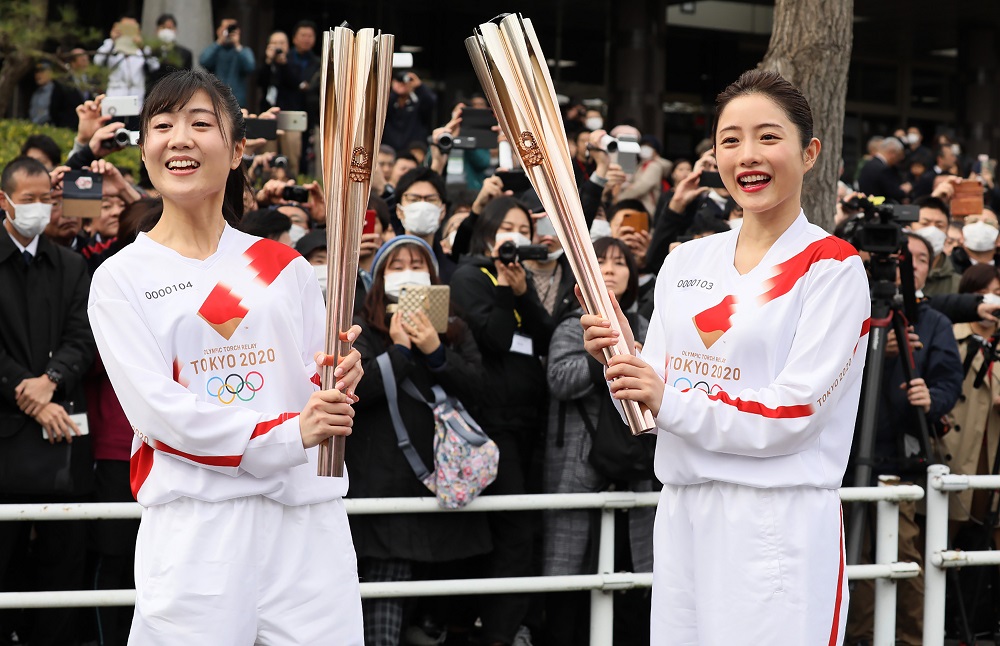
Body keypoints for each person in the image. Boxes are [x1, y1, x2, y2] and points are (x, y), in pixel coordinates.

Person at [581, 69, 871, 644]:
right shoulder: (688, 262)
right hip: (685, 512)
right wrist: (624, 366)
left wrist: (668, 398)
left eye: (768, 136)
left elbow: (794, 414)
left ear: (809, 152)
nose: (748, 155)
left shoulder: (831, 267)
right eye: (731, 139)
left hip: (774, 525)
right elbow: (659, 402)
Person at [86, 70, 365, 644]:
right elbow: (158, 414)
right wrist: (290, 433)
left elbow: (317, 377)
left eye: (200, 123)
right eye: (162, 125)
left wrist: (337, 381)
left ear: (238, 150)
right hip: (200, 531)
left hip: (305, 521)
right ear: (144, 151)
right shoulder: (121, 279)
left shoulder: (279, 264)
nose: (179, 138)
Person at [347, 235, 491, 646]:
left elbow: (481, 391)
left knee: (441, 601)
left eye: (417, 264)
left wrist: (436, 352)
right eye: (396, 265)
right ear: (376, 277)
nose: (408, 273)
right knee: (384, 600)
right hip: (381, 485)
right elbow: (355, 390)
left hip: (444, 483)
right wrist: (399, 352)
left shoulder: (455, 328)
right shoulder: (358, 327)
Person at [0, 157, 96, 645]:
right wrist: (29, 393)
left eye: (46, 199)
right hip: (8, 438)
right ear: (5, 201)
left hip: (64, 434)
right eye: (29, 199)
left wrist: (52, 380)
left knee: (64, 561)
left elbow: (85, 336)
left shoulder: (70, 264)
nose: (39, 209)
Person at [543, 237, 655, 646]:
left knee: (634, 575)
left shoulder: (646, 325)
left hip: (635, 462)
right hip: (578, 463)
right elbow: (558, 379)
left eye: (620, 262)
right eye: (601, 261)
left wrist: (636, 356)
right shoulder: (572, 324)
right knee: (571, 576)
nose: (610, 269)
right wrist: (608, 362)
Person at [93, 16, 160, 102]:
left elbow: (155, 66)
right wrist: (113, 41)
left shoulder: (143, 48)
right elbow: (97, 61)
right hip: (115, 96)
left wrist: (142, 47)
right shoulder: (110, 44)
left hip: (136, 97)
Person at [199, 19, 256, 107]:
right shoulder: (216, 50)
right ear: (219, 30)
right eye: (226, 28)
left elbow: (250, 66)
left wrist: (237, 45)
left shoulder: (243, 50)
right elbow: (204, 61)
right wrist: (219, 41)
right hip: (216, 98)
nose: (229, 31)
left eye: (232, 28)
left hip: (237, 101)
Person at [146, 13, 194, 90]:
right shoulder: (149, 52)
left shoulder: (185, 54)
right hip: (153, 94)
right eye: (163, 27)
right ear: (157, 30)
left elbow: (187, 79)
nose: (166, 31)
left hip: (176, 94)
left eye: (169, 28)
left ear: (175, 30)